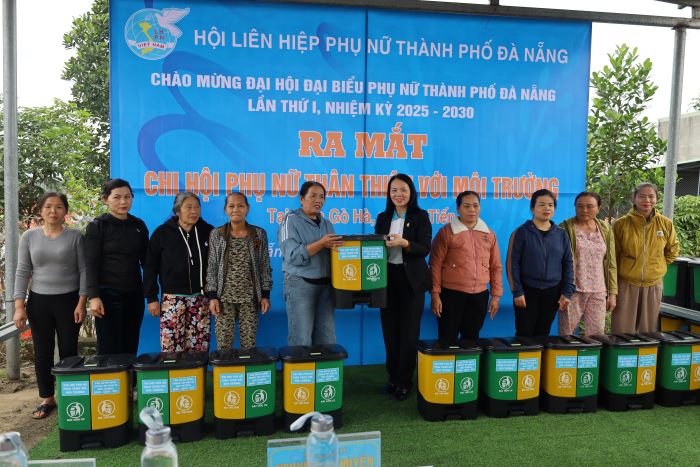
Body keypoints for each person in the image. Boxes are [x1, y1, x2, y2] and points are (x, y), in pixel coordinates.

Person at [13, 192, 86, 419]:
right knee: (42, 351)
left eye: (58, 207)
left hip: (69, 301)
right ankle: (47, 398)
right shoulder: (29, 236)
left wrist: (81, 302)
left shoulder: (75, 236)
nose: (53, 211)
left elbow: (84, 270)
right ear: (41, 210)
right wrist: (19, 306)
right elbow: (22, 271)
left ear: (65, 211)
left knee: (68, 350)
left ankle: (70, 396)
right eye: (48, 207)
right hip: (39, 302)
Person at [375, 173, 432, 401]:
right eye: (394, 190)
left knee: (409, 334)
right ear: (389, 194)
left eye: (403, 190)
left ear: (411, 192)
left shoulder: (420, 216)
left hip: (411, 282)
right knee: (390, 333)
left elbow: (425, 248)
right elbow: (375, 248)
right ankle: (393, 378)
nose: (398, 194)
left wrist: (405, 243)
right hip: (386, 281)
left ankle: (405, 382)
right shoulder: (382, 217)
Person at [85, 178, 149, 355]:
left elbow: (147, 262)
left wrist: (150, 292)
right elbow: (90, 264)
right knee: (109, 347)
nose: (123, 202)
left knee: (130, 344)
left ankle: (129, 374)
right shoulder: (97, 226)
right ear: (105, 199)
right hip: (106, 295)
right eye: (117, 197)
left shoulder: (139, 225)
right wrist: (94, 296)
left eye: (128, 197)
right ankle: (109, 374)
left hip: (134, 294)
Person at [143, 192, 214, 352]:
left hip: (201, 299)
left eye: (197, 207)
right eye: (188, 207)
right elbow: (150, 267)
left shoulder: (208, 232)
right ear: (177, 210)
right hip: (172, 300)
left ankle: (196, 370)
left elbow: (216, 266)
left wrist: (213, 295)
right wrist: (151, 298)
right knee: (171, 348)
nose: (194, 211)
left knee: (199, 348)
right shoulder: (162, 233)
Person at [430, 191, 503, 342]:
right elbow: (435, 265)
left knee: (471, 339)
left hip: (479, 296)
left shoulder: (489, 234)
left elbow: (496, 267)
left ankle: (469, 358)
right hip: (450, 295)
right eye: (467, 206)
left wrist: (495, 296)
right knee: (447, 338)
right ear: (458, 208)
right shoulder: (446, 232)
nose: (472, 210)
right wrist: (435, 295)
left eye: (476, 206)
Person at [278, 181, 343, 346]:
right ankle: (300, 365)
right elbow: (292, 255)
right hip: (300, 285)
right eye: (313, 196)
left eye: (321, 197)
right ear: (302, 199)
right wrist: (321, 244)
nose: (318, 200)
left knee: (327, 340)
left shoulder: (327, 224)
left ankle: (323, 365)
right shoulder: (290, 221)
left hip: (326, 286)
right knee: (301, 340)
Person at [207, 192, 272, 349]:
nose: (236, 209)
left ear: (247, 208)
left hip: (250, 299)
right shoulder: (217, 234)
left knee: (249, 346)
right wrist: (212, 296)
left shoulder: (258, 234)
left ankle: (247, 365)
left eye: (240, 206)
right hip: (223, 299)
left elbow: (264, 265)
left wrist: (265, 295)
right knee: (224, 346)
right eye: (231, 206)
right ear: (226, 209)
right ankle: (225, 367)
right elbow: (212, 266)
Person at [507, 189, 574, 337]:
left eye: (550, 205)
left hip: (552, 292)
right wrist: (517, 292)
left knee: (543, 333)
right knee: (524, 333)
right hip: (527, 291)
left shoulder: (561, 234)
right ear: (532, 208)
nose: (546, 208)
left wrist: (567, 292)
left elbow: (568, 263)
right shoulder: (521, 232)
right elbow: (513, 263)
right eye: (541, 205)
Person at [613, 182, 679, 333]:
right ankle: (622, 349)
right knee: (622, 330)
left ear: (657, 198)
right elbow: (613, 255)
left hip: (653, 285)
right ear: (634, 198)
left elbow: (672, 251)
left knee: (647, 331)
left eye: (651, 196)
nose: (647, 200)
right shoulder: (621, 224)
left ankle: (645, 350)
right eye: (642, 196)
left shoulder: (666, 224)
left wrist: (656, 265)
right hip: (626, 284)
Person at [559, 192, 617, 336]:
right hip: (573, 290)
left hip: (598, 290)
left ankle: (591, 353)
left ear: (598, 208)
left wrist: (612, 293)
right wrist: (563, 290)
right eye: (580, 206)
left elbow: (611, 263)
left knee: (596, 335)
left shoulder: (605, 229)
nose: (584, 210)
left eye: (590, 206)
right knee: (566, 334)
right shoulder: (565, 227)